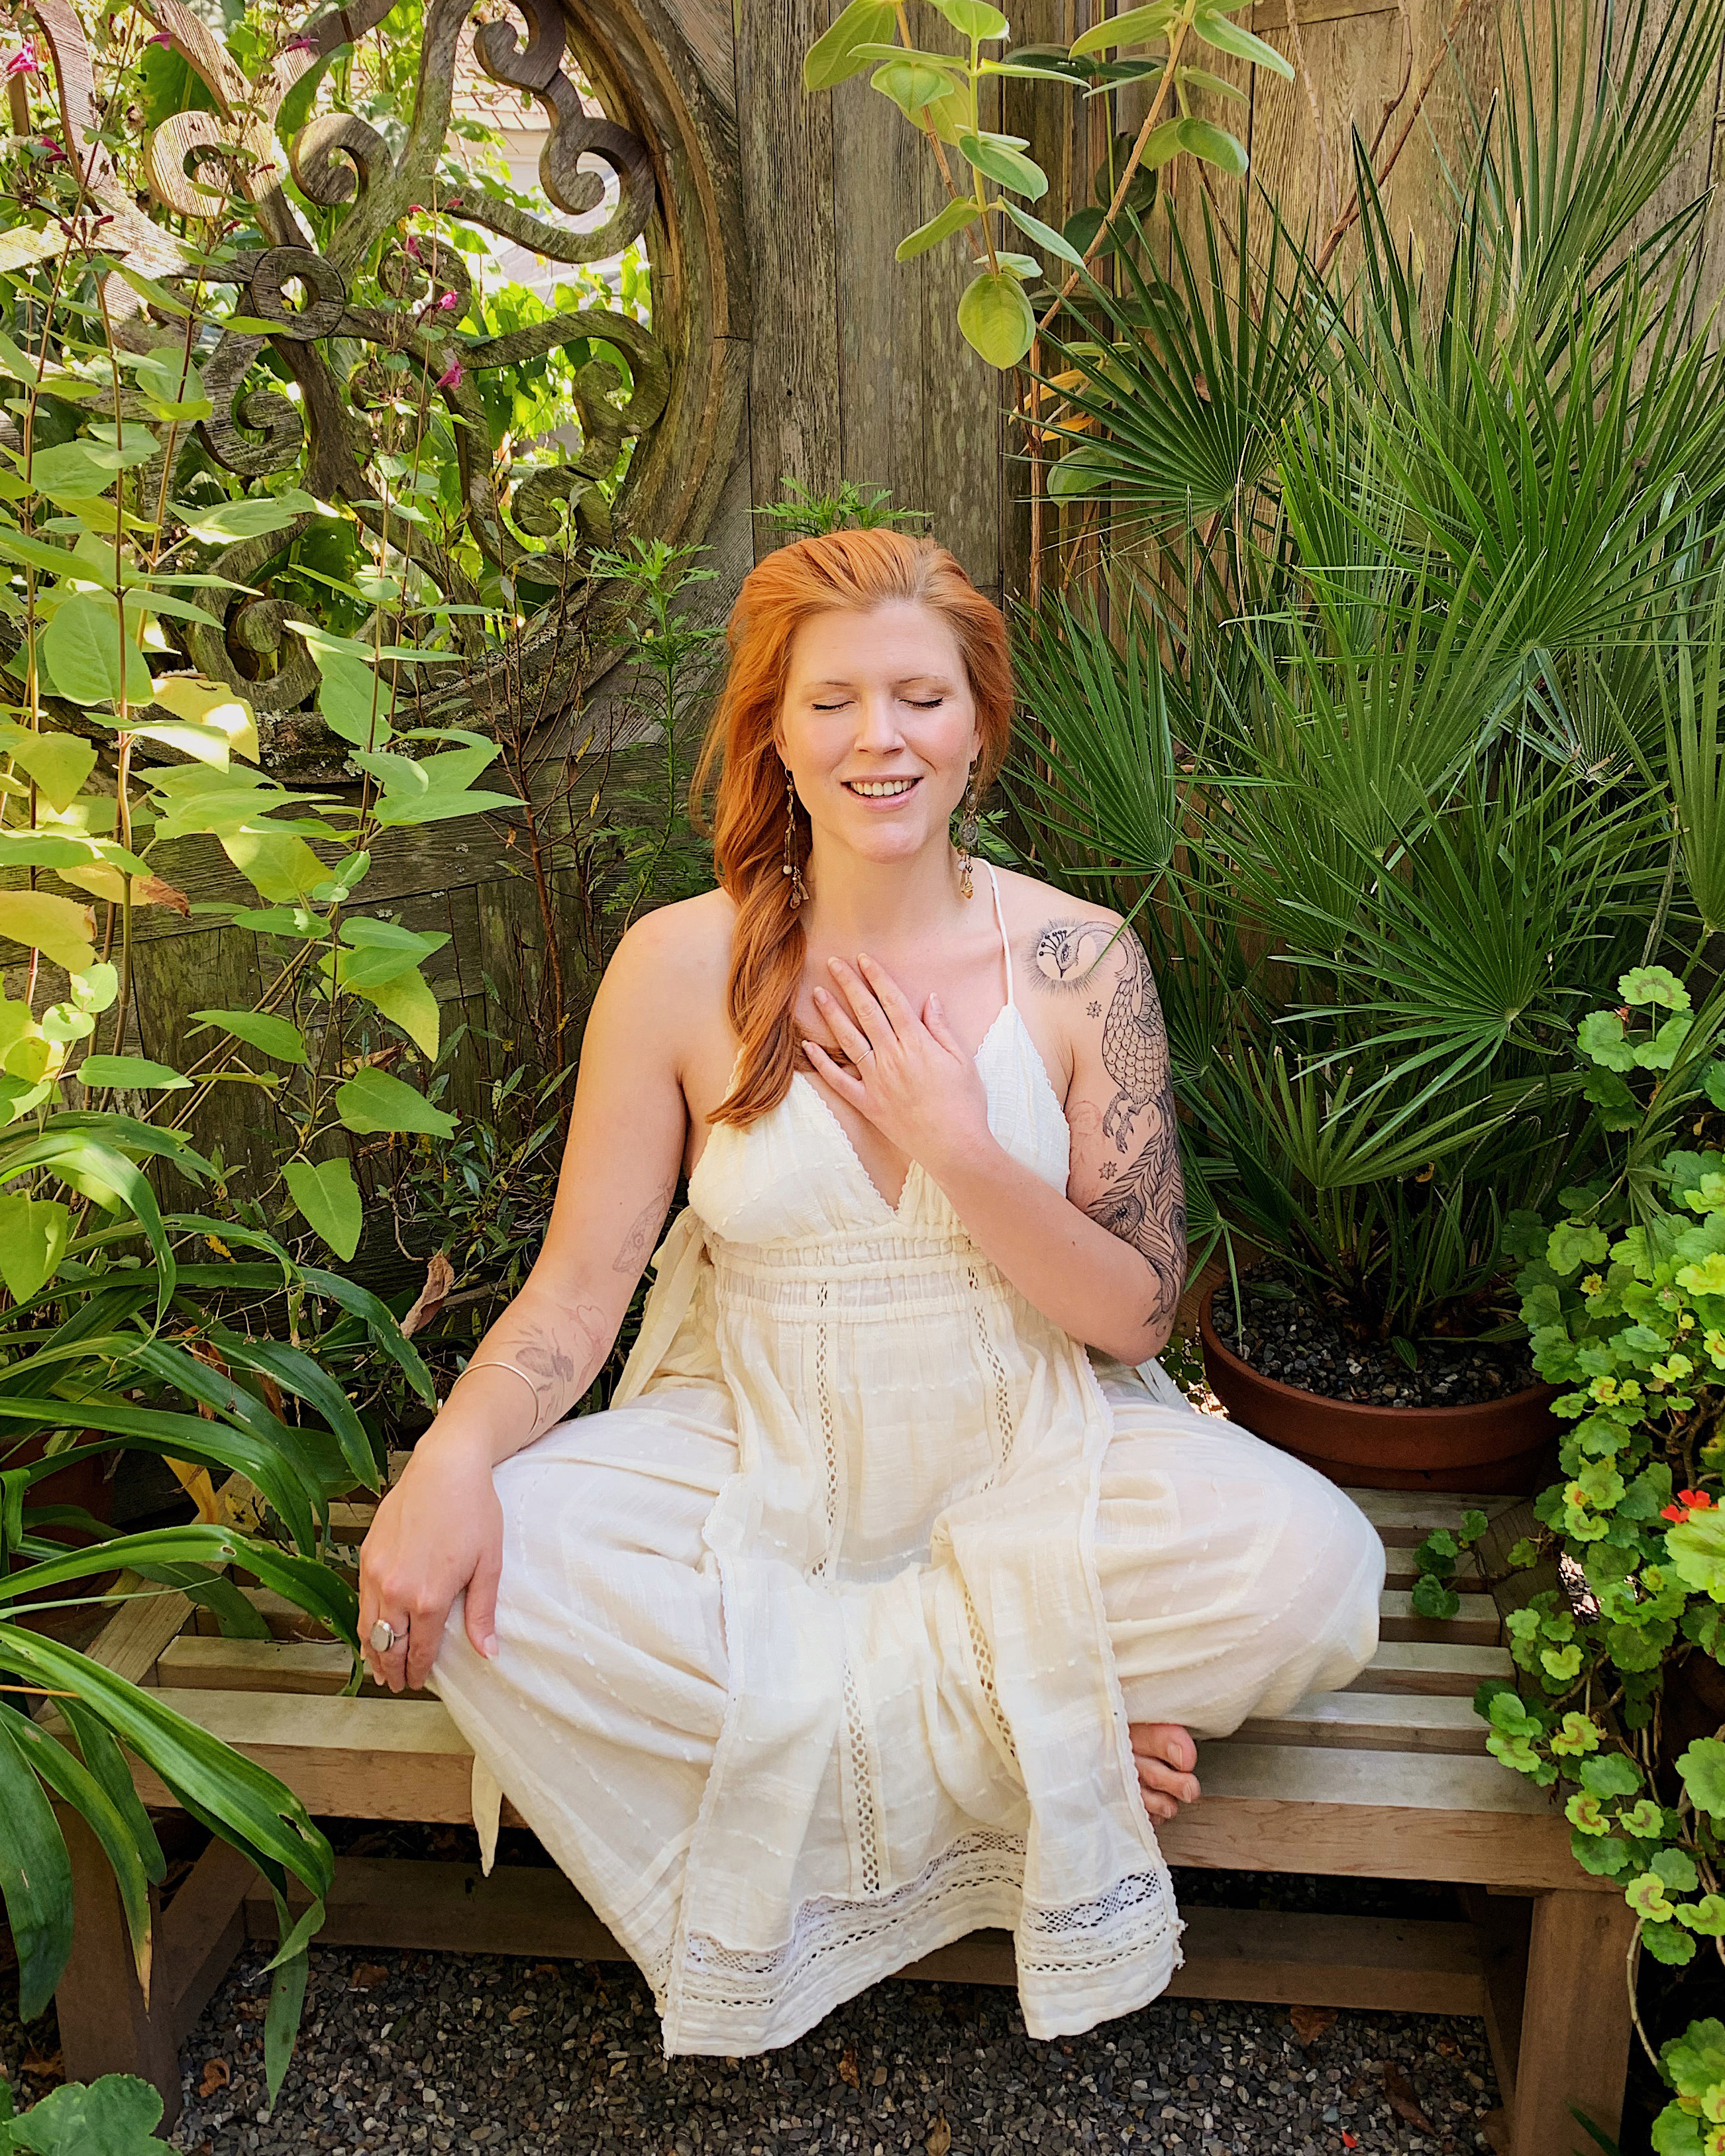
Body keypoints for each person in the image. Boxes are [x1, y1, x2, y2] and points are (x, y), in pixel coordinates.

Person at [357, 530, 1384, 2056]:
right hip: (756, 1449)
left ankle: (959, 1716)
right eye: (831, 701)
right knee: (504, 1587)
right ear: (775, 731)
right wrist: (450, 1455)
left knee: (1316, 1572)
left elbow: (1134, 1315)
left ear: (978, 724)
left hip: (1038, 1445)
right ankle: (1038, 1740)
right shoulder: (676, 965)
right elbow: (576, 1299)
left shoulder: (1078, 960)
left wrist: (956, 1140)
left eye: (919, 696)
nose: (877, 738)